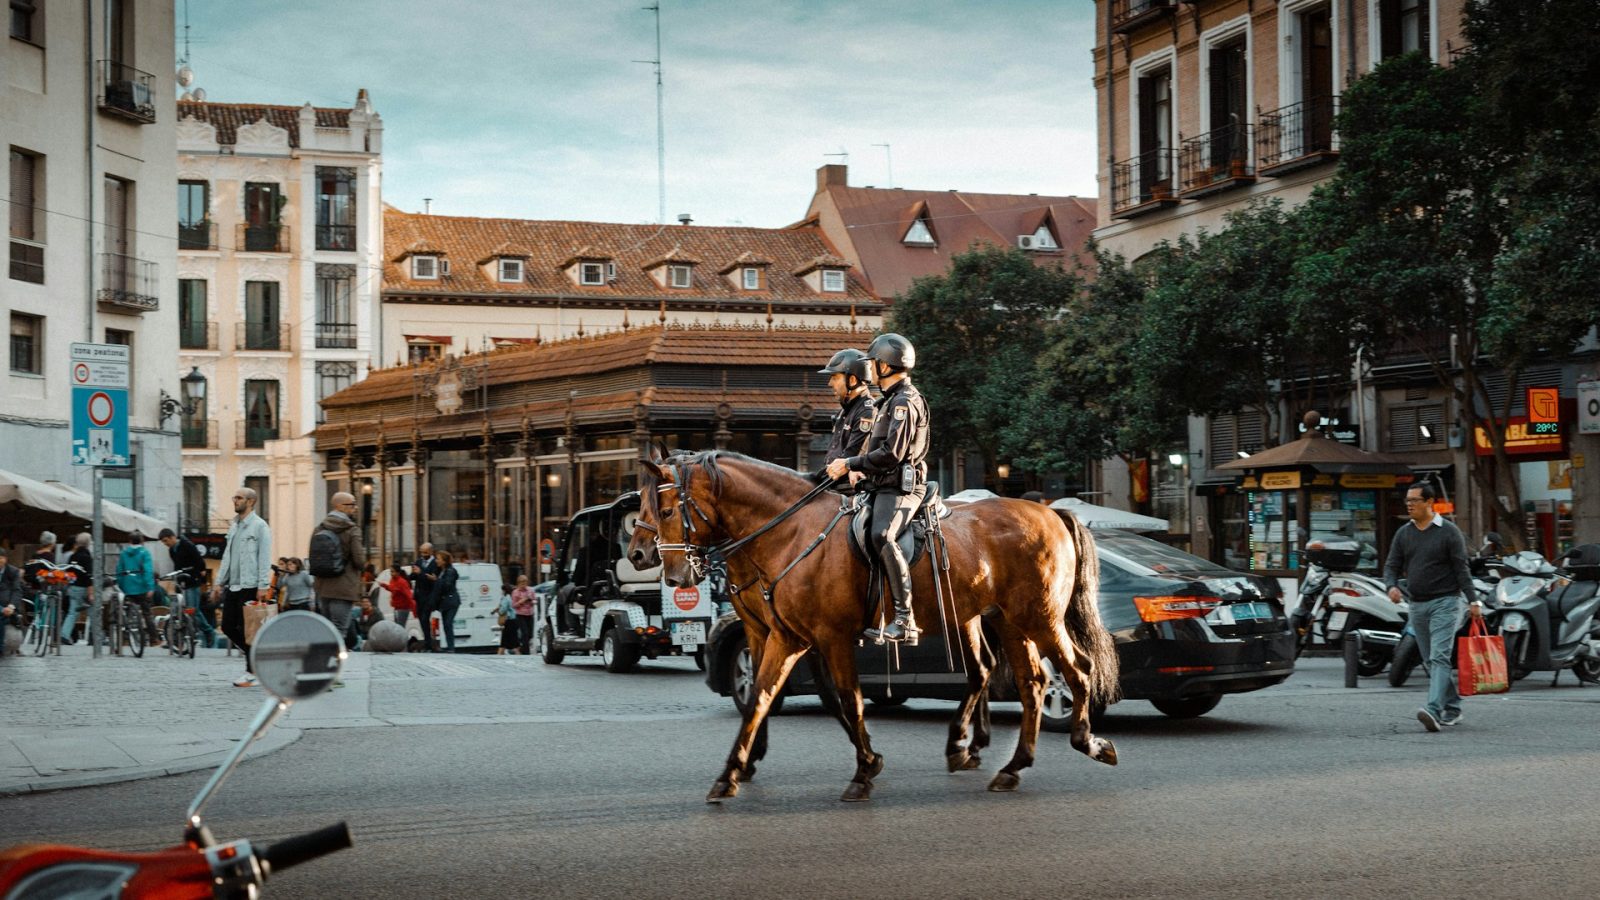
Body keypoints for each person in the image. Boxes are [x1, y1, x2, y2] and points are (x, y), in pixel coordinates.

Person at [826, 332, 931, 643]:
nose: (869, 368)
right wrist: (862, 472)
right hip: (882, 485)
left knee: (881, 534)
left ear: (885, 366)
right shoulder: (888, 402)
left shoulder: (904, 402)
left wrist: (851, 464)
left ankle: (905, 618)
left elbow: (892, 454)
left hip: (903, 489)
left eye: (873, 362)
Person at [1384, 482, 1480, 731]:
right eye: (1408, 500)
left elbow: (1461, 568)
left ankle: (1434, 710)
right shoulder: (1404, 533)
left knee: (1439, 657)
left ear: (1429, 502)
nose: (1409, 504)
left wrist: (1473, 600)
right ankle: (1453, 707)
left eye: (1414, 500)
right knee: (1430, 659)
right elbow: (1391, 565)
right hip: (1417, 605)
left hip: (1446, 603)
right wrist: (1391, 586)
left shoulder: (1449, 532)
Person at [213, 486, 273, 688]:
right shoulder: (235, 526)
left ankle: (252, 672)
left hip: (251, 585)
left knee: (250, 630)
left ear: (251, 502)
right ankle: (258, 658)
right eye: (234, 497)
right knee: (228, 626)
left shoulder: (260, 526)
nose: (235, 501)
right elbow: (227, 558)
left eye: (239, 498)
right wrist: (219, 582)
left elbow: (264, 557)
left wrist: (263, 585)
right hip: (234, 585)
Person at [810, 348, 875, 493]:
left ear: (852, 380)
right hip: (833, 486)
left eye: (835, 377)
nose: (830, 383)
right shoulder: (845, 411)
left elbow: (850, 456)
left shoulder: (867, 412)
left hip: (849, 490)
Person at [311, 492, 367, 653]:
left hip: (322, 586)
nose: (355, 508)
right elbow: (359, 560)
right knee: (340, 627)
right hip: (343, 586)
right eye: (352, 504)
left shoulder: (319, 528)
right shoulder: (351, 529)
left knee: (327, 625)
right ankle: (333, 663)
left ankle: (325, 658)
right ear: (339, 506)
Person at [159, 528, 216, 649]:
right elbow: (177, 566)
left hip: (192, 580)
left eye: (166, 541)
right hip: (181, 582)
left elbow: (199, 561)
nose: (165, 544)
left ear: (172, 537)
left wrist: (200, 573)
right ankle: (178, 636)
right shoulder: (172, 550)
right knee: (178, 609)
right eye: (163, 542)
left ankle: (207, 631)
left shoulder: (187, 545)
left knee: (192, 610)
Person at [116, 531, 160, 646]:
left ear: (129, 541)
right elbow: (148, 571)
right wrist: (150, 586)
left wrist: (121, 585)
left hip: (127, 587)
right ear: (142, 541)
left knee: (126, 613)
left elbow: (119, 571)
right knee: (147, 613)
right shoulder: (145, 553)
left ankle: (125, 639)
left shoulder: (124, 553)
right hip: (142, 588)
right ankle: (153, 639)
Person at [409, 543, 441, 652]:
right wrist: (411, 572)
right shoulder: (418, 562)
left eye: (426, 552)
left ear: (431, 552)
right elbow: (413, 577)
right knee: (422, 621)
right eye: (422, 552)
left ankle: (429, 644)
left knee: (425, 618)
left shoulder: (436, 564)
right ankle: (428, 643)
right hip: (419, 596)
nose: (423, 554)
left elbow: (432, 579)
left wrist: (421, 572)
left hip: (429, 596)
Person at [434, 549, 461, 652]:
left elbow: (447, 585)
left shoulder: (450, 571)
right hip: (445, 602)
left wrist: (437, 580)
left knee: (448, 623)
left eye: (438, 559)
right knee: (445, 624)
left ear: (444, 561)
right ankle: (450, 646)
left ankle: (451, 647)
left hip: (451, 601)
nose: (437, 561)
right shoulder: (442, 571)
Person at [0, 551, 23, 656]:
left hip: (8, 608)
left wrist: (11, 606)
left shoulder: (13, 571)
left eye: (1, 558)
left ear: (6, 559)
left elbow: (17, 591)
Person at [383, 562, 415, 630]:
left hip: (403, 607)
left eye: (392, 572)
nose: (391, 573)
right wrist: (384, 586)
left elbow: (409, 595)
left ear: (398, 572)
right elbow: (392, 589)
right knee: (398, 627)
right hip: (396, 607)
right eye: (390, 572)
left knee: (400, 628)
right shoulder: (392, 580)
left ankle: (402, 640)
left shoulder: (402, 582)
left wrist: (414, 608)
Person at [511, 574, 536, 654]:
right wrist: (521, 601)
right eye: (522, 583)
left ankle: (521, 648)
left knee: (530, 634)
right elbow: (513, 605)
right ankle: (526, 652)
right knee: (525, 633)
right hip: (521, 614)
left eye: (525, 582)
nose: (524, 584)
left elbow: (535, 600)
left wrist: (531, 601)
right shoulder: (515, 592)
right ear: (519, 583)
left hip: (530, 614)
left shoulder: (530, 590)